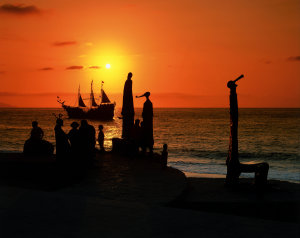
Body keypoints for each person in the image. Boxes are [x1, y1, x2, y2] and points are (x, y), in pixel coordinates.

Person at [121, 72, 134, 139]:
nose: (130, 77)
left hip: (127, 100)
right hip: (127, 100)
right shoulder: (128, 82)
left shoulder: (128, 82)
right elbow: (127, 91)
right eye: (130, 76)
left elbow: (128, 91)